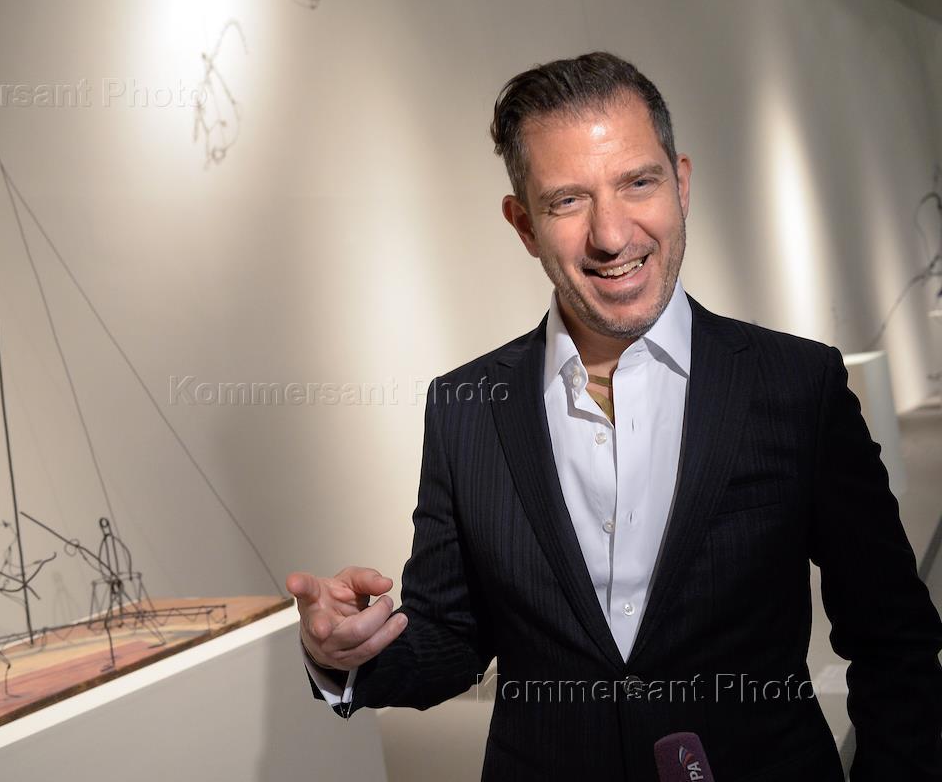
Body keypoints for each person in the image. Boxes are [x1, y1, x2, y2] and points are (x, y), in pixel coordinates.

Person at [285, 51, 942, 780]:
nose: (611, 234)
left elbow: (893, 639)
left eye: (638, 182)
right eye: (567, 200)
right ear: (523, 224)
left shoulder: (796, 385)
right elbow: (451, 637)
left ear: (681, 184)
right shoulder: (467, 406)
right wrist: (343, 654)